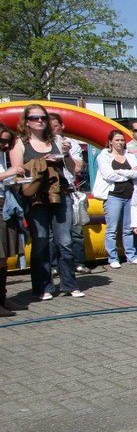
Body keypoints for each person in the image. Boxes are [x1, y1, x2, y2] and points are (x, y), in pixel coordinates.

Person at [9, 104, 85, 300]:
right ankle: (43, 287)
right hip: (35, 197)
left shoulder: (57, 139)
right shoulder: (19, 143)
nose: (40, 121)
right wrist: (41, 163)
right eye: (34, 118)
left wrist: (66, 154)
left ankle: (69, 284)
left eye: (42, 117)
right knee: (41, 241)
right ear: (26, 121)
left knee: (65, 241)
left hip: (60, 193)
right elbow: (18, 175)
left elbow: (74, 169)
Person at [47, 113, 89, 273]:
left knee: (75, 230)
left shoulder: (72, 144)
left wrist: (66, 153)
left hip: (68, 190)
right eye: (49, 127)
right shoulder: (42, 144)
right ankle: (53, 266)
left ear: (62, 126)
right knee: (51, 234)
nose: (52, 130)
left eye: (55, 126)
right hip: (49, 190)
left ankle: (78, 262)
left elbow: (77, 168)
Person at [94, 129, 137, 269]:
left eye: (122, 140)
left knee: (128, 228)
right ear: (110, 142)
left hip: (130, 195)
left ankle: (131, 255)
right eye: (117, 140)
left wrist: (120, 172)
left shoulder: (130, 156)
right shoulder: (103, 156)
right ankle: (113, 257)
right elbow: (108, 175)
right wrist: (128, 174)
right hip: (113, 195)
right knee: (112, 228)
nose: (120, 143)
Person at [0, 124, 30, 316]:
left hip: (5, 204)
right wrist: (8, 173)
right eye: (2, 141)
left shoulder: (2, 156)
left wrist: (14, 180)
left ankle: (2, 297)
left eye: (7, 142)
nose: (5, 145)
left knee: (4, 256)